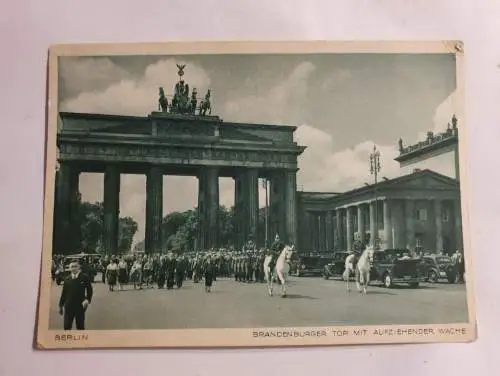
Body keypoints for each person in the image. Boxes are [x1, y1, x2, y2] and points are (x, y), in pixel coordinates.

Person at [58, 259, 93, 330]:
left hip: (80, 306)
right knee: (67, 326)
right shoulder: (67, 279)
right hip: (68, 306)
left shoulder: (84, 277)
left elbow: (90, 290)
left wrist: (87, 300)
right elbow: (64, 293)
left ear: (79, 267)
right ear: (70, 268)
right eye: (72, 267)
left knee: (80, 326)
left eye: (75, 266)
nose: (73, 268)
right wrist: (61, 305)